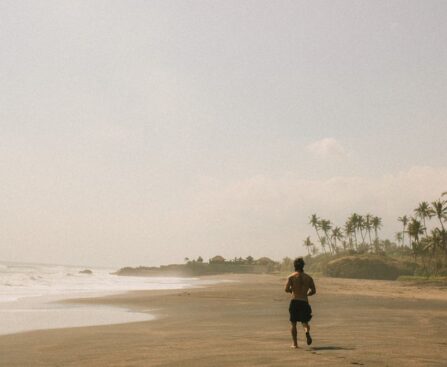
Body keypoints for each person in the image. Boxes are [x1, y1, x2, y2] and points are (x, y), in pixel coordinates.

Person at [284, 257, 316, 349]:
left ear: (294, 266)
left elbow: (286, 289)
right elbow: (313, 290)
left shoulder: (291, 277)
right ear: (303, 266)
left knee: (293, 323)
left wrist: (292, 291)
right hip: (304, 302)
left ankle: (295, 344)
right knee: (304, 322)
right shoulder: (308, 278)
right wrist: (307, 294)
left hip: (294, 301)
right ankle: (306, 332)